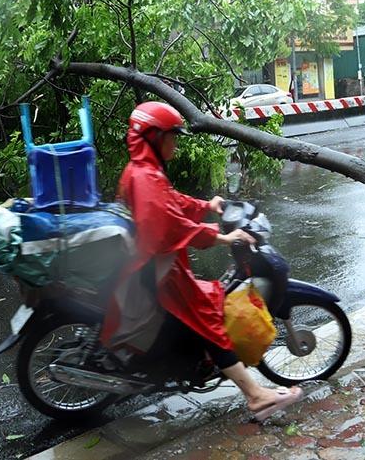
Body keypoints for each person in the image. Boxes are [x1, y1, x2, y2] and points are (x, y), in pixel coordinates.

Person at [101, 101, 302, 421]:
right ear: (153, 137)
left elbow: (174, 202)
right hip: (161, 271)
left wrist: (207, 204)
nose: (175, 144)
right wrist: (222, 237)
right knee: (208, 320)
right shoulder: (146, 176)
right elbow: (170, 224)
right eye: (171, 137)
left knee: (203, 308)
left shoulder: (142, 171)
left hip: (155, 264)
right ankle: (255, 396)